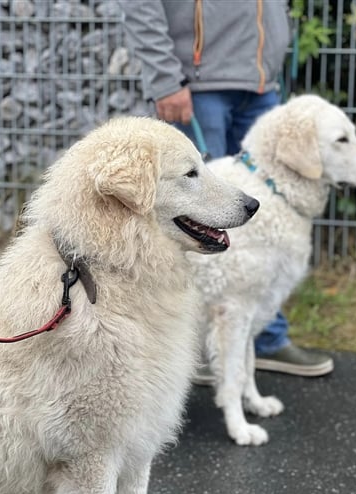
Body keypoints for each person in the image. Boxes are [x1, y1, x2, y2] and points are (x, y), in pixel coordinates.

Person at [120, 0, 333, 378]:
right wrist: (166, 79)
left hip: (261, 84)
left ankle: (264, 337)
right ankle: (190, 347)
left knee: (263, 224)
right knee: (194, 227)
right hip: (199, 86)